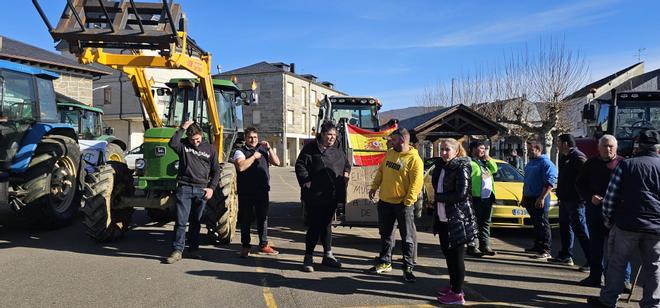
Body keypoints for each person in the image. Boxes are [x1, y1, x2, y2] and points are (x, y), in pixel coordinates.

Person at [588, 130, 660, 308]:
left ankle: (609, 300)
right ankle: (652, 304)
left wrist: (609, 220)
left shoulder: (626, 165)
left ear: (638, 145)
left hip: (627, 224)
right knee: (654, 267)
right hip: (656, 226)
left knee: (616, 264)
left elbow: (611, 197)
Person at [576, 135, 632, 291]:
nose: (608, 149)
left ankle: (624, 280)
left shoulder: (624, 164)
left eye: (611, 146)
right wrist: (589, 197)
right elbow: (580, 184)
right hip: (595, 210)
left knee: (620, 247)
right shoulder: (591, 163)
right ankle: (595, 276)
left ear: (616, 147)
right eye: (605, 146)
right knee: (596, 245)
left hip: (616, 212)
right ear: (599, 147)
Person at [368, 127, 423, 282]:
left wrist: (408, 201)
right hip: (385, 202)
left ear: (402, 140)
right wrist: (374, 187)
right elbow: (381, 172)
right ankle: (385, 262)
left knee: (407, 238)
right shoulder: (390, 153)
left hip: (403, 204)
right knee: (385, 234)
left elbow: (416, 183)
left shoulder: (414, 159)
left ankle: (408, 267)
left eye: (393, 139)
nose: (390, 141)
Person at [295, 121, 351, 273]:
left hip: (332, 194)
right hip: (315, 195)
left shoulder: (337, 148)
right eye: (329, 135)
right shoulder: (311, 148)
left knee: (327, 225)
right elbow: (300, 165)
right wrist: (306, 181)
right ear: (322, 134)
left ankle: (328, 255)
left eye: (334, 134)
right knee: (314, 226)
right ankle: (308, 257)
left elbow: (346, 164)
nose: (332, 138)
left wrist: (346, 173)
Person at [165, 120, 221, 264]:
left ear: (201, 136)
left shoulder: (210, 148)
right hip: (184, 188)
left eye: (197, 139)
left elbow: (216, 171)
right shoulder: (183, 145)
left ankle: (193, 249)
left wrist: (211, 188)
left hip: (202, 190)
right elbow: (172, 143)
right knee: (181, 221)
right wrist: (182, 128)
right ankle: (177, 251)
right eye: (192, 140)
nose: (195, 142)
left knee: (196, 222)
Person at [431, 138, 477, 305]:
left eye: (447, 149)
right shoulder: (442, 166)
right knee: (448, 256)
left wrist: (438, 198)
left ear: (457, 151)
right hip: (443, 217)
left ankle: (458, 294)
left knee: (456, 258)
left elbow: (462, 194)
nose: (443, 153)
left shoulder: (462, 166)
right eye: (441, 149)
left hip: (458, 219)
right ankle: (453, 285)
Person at [233, 127, 281, 258]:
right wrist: (254, 157)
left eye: (255, 137)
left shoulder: (263, 149)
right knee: (246, 220)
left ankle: (263, 244)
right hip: (246, 192)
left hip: (262, 191)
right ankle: (245, 246)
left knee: (263, 218)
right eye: (250, 137)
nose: (253, 140)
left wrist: (269, 149)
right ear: (245, 138)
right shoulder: (240, 151)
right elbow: (241, 166)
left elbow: (277, 162)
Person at [548, 134, 590, 270]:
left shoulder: (578, 156)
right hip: (565, 199)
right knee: (565, 227)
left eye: (558, 142)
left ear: (566, 143)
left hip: (576, 201)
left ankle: (591, 261)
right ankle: (566, 255)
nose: (557, 145)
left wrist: (581, 194)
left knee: (581, 230)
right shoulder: (563, 157)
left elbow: (586, 176)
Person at [521, 140, 558, 259]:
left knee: (543, 223)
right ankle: (537, 245)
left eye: (531, 150)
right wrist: (523, 197)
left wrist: (542, 198)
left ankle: (546, 249)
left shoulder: (546, 163)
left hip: (539, 197)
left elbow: (550, 183)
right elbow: (526, 181)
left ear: (538, 150)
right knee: (536, 223)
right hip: (529, 198)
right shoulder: (530, 163)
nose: (528, 153)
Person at [466, 141, 498, 257]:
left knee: (485, 222)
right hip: (475, 197)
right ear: (473, 149)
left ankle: (484, 245)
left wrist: (488, 159)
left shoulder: (484, 162)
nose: (483, 151)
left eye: (485, 148)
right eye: (481, 148)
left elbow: (494, 169)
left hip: (487, 197)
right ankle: (472, 245)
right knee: (473, 222)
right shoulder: (469, 162)